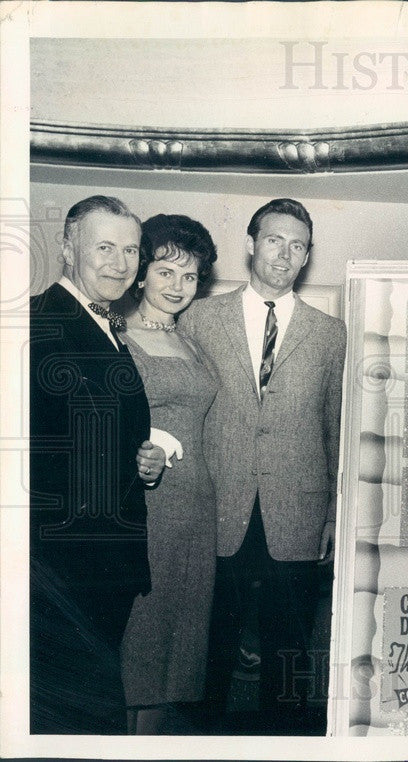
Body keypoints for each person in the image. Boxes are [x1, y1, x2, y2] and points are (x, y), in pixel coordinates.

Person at [180, 198, 346, 733]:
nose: (285, 253)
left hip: (297, 513)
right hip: (217, 508)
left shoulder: (329, 333)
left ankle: (289, 741)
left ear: (306, 257)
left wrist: (332, 519)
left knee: (287, 646)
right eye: (275, 239)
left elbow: (335, 428)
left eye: (298, 245)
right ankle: (201, 742)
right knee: (211, 644)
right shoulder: (199, 318)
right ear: (251, 244)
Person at [29, 195, 166, 734]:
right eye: (104, 247)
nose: (120, 262)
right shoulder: (43, 323)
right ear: (68, 249)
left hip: (103, 555)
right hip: (65, 562)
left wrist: (143, 458)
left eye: (130, 249)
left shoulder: (102, 323)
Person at [117, 214, 219, 734]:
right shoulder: (118, 339)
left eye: (191, 276)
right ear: (141, 272)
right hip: (149, 506)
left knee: (179, 644)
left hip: (198, 510)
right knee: (143, 640)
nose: (178, 286)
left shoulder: (191, 342)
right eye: (165, 272)